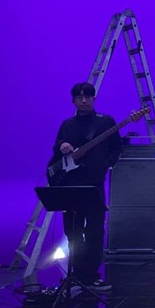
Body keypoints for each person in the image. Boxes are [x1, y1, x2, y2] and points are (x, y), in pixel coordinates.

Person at [49, 82, 121, 291]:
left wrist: (107, 163)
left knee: (95, 231)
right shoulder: (67, 125)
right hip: (71, 185)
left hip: (94, 185)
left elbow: (116, 147)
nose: (84, 100)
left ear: (93, 99)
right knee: (73, 232)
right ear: (73, 101)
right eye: (80, 97)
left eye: (88, 96)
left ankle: (91, 276)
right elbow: (57, 150)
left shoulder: (105, 122)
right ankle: (77, 275)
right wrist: (62, 146)